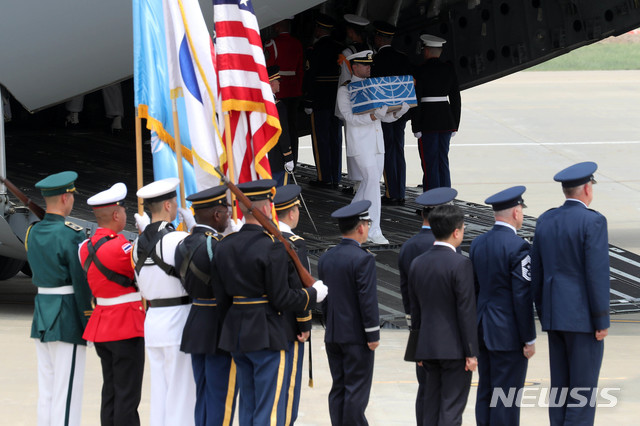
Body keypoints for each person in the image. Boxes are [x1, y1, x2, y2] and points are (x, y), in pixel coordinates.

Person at [214, 179, 328, 426]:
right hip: (266, 334)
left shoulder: (224, 245)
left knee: (249, 407)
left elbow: (221, 300)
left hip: (236, 334)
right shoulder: (273, 247)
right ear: (267, 208)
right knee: (270, 410)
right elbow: (282, 298)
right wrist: (312, 295)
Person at [530, 161, 610, 426]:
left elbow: (537, 272)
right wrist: (601, 320)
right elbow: (595, 274)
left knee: (561, 390)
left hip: (555, 316)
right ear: (587, 189)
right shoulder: (593, 221)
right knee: (582, 392)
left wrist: (544, 312)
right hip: (583, 318)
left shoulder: (545, 220)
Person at [25, 171, 92, 426]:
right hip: (67, 317)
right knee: (67, 393)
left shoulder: (33, 232)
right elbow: (81, 281)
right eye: (72, 196)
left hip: (42, 313)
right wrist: (89, 321)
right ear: (65, 198)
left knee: (48, 390)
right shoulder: (72, 234)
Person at [78, 182, 145, 426]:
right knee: (128, 394)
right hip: (126, 324)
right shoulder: (124, 248)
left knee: (111, 391)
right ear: (116, 215)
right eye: (124, 211)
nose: (126, 216)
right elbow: (144, 280)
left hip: (101, 324)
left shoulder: (84, 247)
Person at [469, 186, 536, 426]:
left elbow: (474, 289)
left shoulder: (477, 243)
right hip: (508, 333)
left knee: (485, 391)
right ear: (516, 213)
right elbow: (522, 296)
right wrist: (529, 338)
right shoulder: (519, 247)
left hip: (482, 329)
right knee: (506, 397)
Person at [132, 177, 197, 426]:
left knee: (159, 394)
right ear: (169, 207)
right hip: (178, 320)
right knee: (181, 396)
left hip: (153, 321)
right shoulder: (176, 240)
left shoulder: (137, 243)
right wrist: (195, 232)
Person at [408, 204, 477, 426]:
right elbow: (465, 310)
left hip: (427, 347)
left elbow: (415, 309)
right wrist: (471, 352)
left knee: (431, 407)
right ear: (456, 232)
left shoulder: (418, 263)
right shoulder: (461, 264)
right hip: (455, 350)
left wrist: (416, 348)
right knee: (451, 409)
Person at [174, 185, 237, 426]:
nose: (229, 217)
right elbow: (228, 287)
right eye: (227, 213)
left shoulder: (183, 244)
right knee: (221, 397)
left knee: (202, 395)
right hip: (218, 327)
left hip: (196, 321)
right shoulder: (218, 245)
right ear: (217, 215)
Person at [335, 49, 410, 245]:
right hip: (360, 142)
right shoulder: (345, 90)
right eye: (365, 65)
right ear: (355, 67)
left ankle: (349, 217)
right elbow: (349, 118)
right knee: (372, 183)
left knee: (370, 182)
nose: (369, 67)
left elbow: (383, 116)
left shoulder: (373, 86)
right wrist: (374, 115)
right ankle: (374, 229)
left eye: (370, 64)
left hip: (377, 142)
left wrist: (398, 113)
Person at [397, 186, 457, 425]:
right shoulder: (447, 243)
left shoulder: (409, 246)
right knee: (448, 391)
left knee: (425, 388)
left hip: (419, 328)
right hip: (447, 329)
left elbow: (405, 290)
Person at [318, 200, 380, 426]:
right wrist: (373, 334)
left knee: (339, 387)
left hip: (333, 333)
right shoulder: (363, 259)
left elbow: (323, 298)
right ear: (361, 227)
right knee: (356, 390)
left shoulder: (326, 257)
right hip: (356, 337)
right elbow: (367, 300)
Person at [273, 184, 311, 425]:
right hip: (289, 326)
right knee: (288, 388)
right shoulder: (295, 243)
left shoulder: (265, 238)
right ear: (292, 212)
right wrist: (304, 324)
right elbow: (301, 287)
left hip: (265, 323)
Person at [411, 34, 461, 191]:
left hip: (428, 122)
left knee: (429, 162)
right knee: (442, 160)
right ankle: (445, 198)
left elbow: (416, 100)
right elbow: (455, 98)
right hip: (446, 120)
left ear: (426, 51)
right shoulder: (448, 68)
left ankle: (432, 202)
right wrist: (455, 124)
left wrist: (416, 126)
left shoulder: (419, 70)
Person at [370, 21, 412, 206]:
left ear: (379, 38)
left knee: (386, 151)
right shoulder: (403, 58)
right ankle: (400, 192)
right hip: (400, 112)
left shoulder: (375, 60)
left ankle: (391, 193)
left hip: (383, 113)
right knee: (398, 150)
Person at [303, 14, 343, 188]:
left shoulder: (315, 49)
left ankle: (324, 177)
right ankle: (336, 176)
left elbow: (310, 76)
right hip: (336, 99)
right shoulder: (339, 48)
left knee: (321, 140)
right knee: (335, 138)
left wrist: (308, 101)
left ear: (319, 30)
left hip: (319, 99)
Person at [264, 18, 304, 165]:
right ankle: (292, 157)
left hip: (278, 89)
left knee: (279, 127)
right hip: (293, 89)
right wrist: (299, 89)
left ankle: (280, 159)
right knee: (291, 128)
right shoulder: (297, 43)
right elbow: (300, 69)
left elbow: (268, 68)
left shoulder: (272, 43)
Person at [267, 65, 294, 186]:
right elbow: (283, 134)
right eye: (278, 81)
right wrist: (288, 157)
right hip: (277, 159)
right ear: (272, 83)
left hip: (263, 158)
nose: (279, 84)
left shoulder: (258, 105)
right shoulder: (278, 106)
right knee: (280, 196)